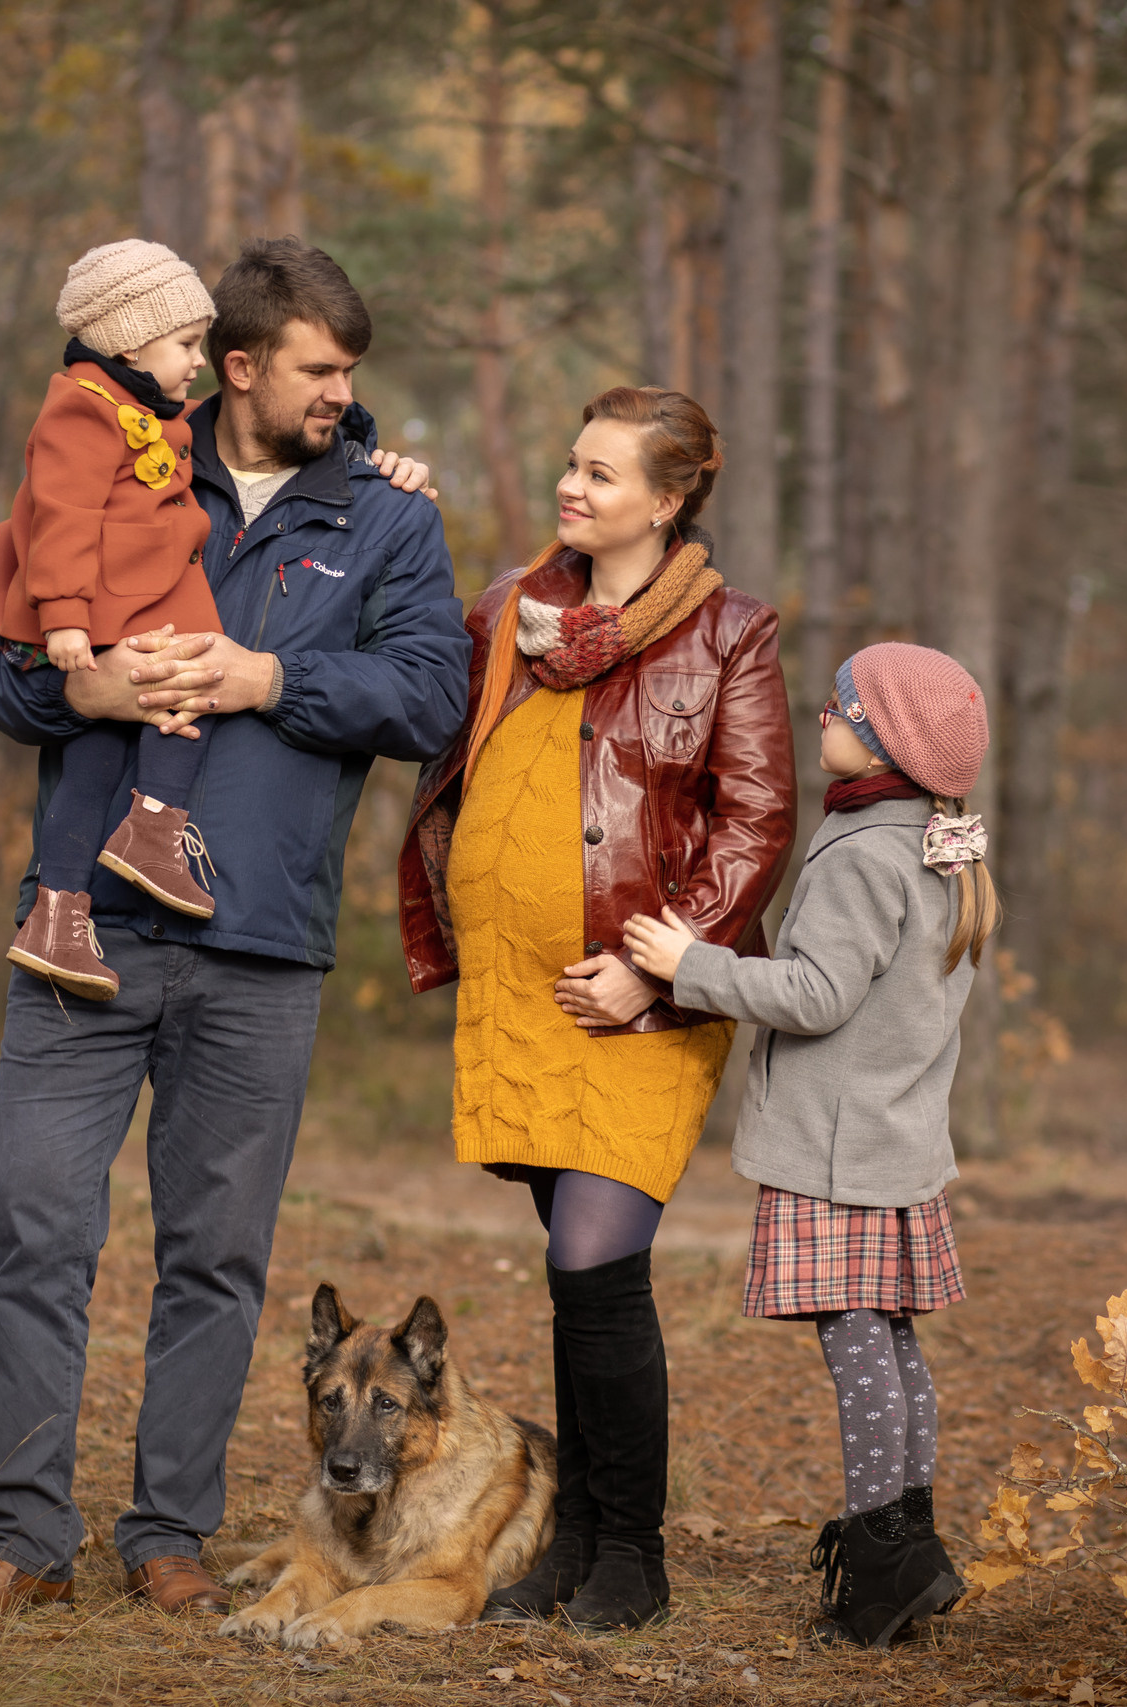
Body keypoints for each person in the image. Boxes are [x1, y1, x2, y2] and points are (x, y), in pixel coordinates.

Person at [0, 238, 469, 1627]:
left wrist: (269, 672)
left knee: (217, 1256)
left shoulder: (385, 518)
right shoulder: (122, 454)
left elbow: (428, 697)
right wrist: (84, 696)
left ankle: (169, 1528)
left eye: (354, 372)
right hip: (83, 928)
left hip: (263, 945)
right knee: (35, 1223)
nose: (344, 393)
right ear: (237, 364)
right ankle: (22, 1535)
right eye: (319, 369)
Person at [397, 386, 796, 1630]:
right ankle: (569, 1544)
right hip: (519, 994)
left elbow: (758, 817)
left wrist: (662, 964)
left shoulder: (730, 632)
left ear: (668, 501)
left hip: (638, 997)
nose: (573, 489)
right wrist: (381, 491)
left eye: (604, 476)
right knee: (575, 1275)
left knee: (595, 1261)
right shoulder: (501, 618)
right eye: (571, 465)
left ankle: (631, 1552)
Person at [621, 641, 997, 1652]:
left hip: (836, 1150)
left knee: (857, 1346)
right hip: (894, 1136)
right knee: (892, 1342)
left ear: (880, 739)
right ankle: (910, 1542)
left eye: (837, 707)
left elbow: (816, 997)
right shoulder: (940, 842)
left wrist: (685, 966)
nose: (817, 716)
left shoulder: (866, 856)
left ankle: (881, 1566)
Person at [0, 240, 225, 996]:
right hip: (106, 608)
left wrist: (353, 428)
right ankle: (155, 829)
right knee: (190, 685)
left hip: (120, 605)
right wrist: (62, 616)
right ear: (130, 340)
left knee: (90, 762)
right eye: (187, 344)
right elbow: (60, 514)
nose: (199, 362)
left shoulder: (143, 406)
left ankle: (56, 916)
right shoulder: (83, 410)